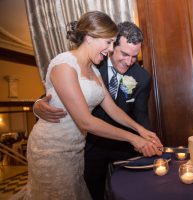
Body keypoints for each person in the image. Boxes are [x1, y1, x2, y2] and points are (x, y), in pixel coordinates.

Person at [12, 11, 162, 200]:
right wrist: (133, 138)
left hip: (76, 150)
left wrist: (141, 130)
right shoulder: (64, 65)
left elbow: (112, 108)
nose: (109, 49)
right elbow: (84, 121)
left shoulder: (93, 69)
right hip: (52, 149)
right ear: (90, 38)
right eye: (108, 42)